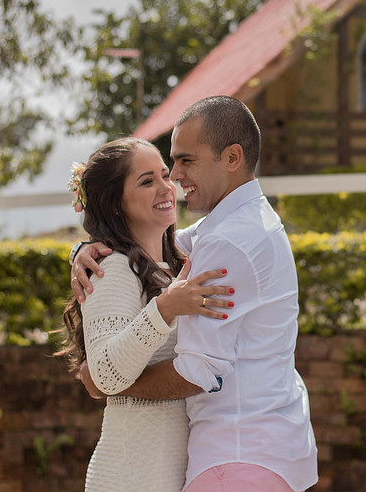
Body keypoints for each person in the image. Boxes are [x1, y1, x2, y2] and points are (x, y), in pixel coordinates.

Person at [70, 96, 318, 492]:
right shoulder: (235, 225)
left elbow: (196, 372)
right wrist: (85, 248)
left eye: (185, 162)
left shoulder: (227, 241)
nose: (175, 177)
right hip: (246, 453)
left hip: (235, 456)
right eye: (156, 174)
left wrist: (108, 381)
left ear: (232, 157)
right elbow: (157, 249)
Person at [58, 137, 235, 492]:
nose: (166, 188)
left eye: (165, 175)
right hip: (129, 477)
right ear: (115, 202)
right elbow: (104, 375)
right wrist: (164, 309)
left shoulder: (172, 266)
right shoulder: (114, 270)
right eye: (146, 181)